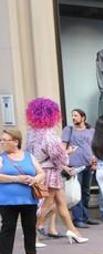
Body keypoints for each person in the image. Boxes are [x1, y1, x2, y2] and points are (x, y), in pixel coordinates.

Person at [26, 98, 88, 244]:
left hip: (39, 170)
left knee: (61, 203)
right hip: (50, 173)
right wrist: (68, 154)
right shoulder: (49, 135)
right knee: (46, 205)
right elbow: (59, 157)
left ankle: (73, 231)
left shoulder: (32, 133)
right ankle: (34, 231)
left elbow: (29, 153)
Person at [0, 129, 45, 254]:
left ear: (15, 142)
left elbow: (41, 172)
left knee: (30, 226)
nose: (2, 142)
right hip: (7, 200)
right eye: (1, 140)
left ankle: (31, 252)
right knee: (8, 226)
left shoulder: (29, 156)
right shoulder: (1, 157)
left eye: (5, 140)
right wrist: (16, 179)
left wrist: (35, 179)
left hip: (29, 198)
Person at [62, 109, 99, 229]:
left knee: (86, 192)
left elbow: (93, 147)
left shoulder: (91, 131)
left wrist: (94, 160)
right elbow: (63, 147)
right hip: (74, 165)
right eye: (72, 116)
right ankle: (78, 219)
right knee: (75, 192)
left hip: (88, 165)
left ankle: (85, 216)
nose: (73, 118)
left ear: (83, 117)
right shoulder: (69, 129)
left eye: (76, 116)